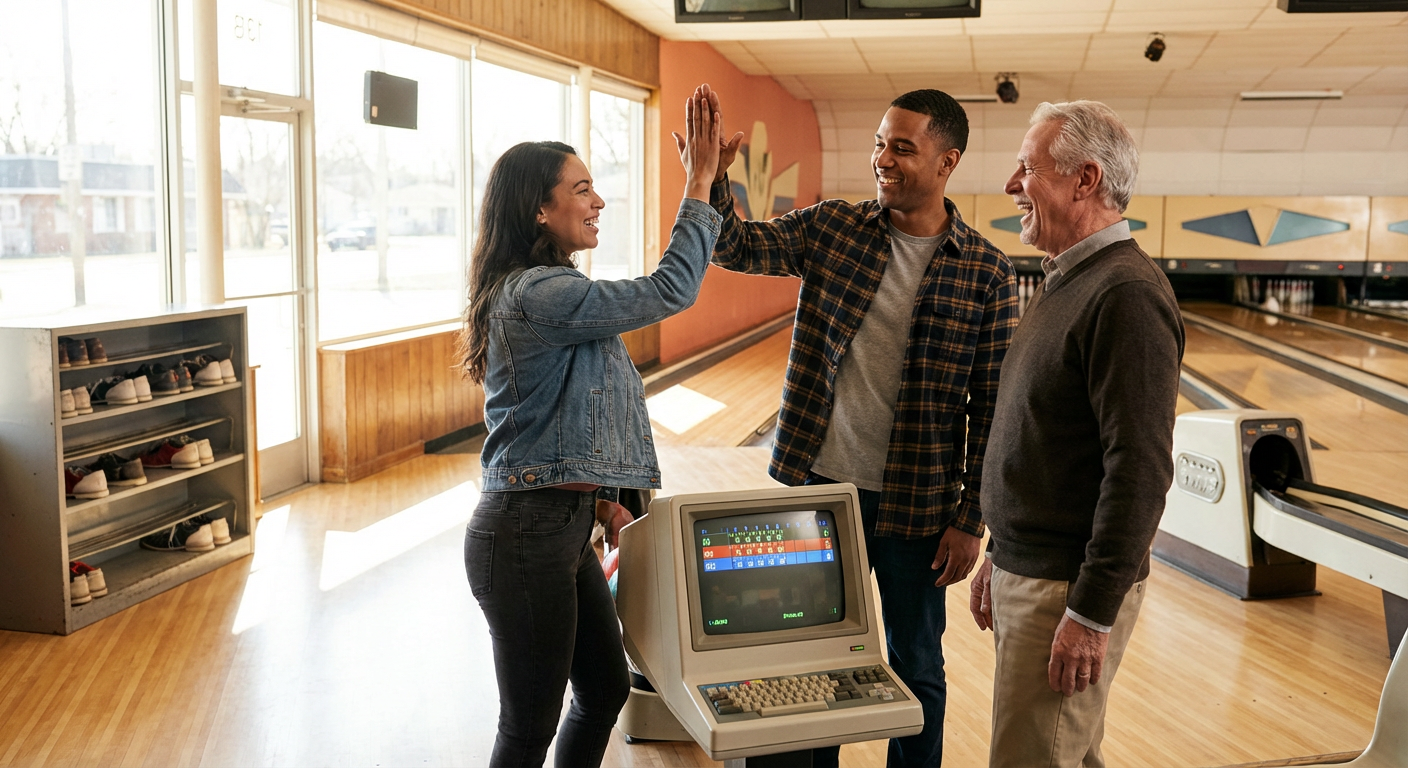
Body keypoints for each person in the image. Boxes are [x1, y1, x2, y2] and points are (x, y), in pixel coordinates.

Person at [704, 87, 1019, 767]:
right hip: (815, 494)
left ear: (947, 161)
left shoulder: (988, 273)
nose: (883, 158)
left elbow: (991, 410)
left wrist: (973, 519)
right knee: (811, 658)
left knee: (916, 667)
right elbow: (736, 246)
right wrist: (712, 177)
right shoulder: (835, 229)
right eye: (880, 142)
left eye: (902, 147)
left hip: (918, 510)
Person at [459, 86, 724, 768]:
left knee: (604, 691)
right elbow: (671, 290)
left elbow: (581, 403)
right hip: (524, 534)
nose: (597, 199)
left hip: (561, 524)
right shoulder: (542, 292)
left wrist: (602, 494)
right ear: (540, 209)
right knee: (526, 728)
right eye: (582, 188)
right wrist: (699, 182)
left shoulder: (550, 289)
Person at [968, 100, 1184, 768]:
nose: (1010, 185)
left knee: (1033, 757)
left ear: (1084, 180)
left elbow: (1139, 471)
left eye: (1026, 168)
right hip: (1032, 571)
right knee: (1066, 752)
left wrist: (1090, 614)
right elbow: (1048, 442)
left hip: (1064, 587)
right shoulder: (1070, 281)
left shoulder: (1125, 294)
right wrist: (999, 548)